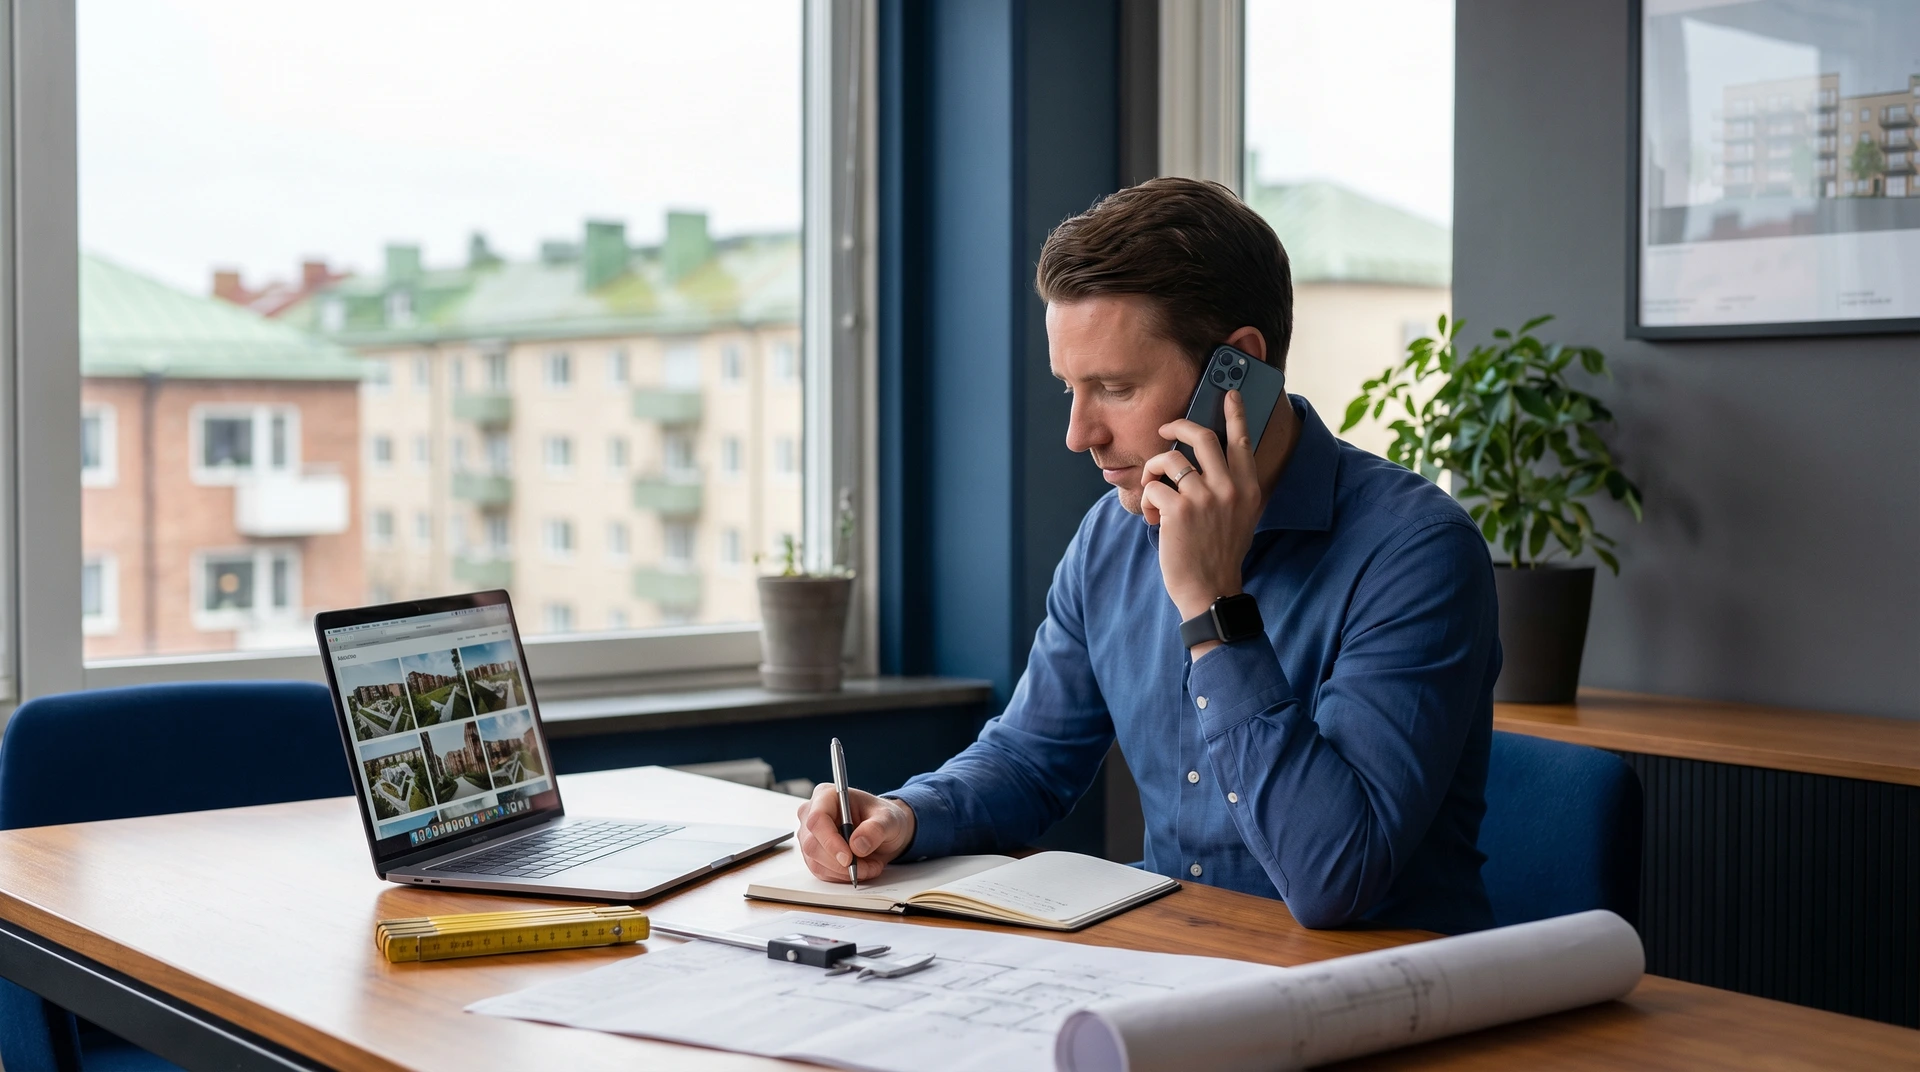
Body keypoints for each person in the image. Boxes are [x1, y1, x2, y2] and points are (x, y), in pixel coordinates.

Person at [796, 177, 1500, 934]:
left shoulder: (1416, 553)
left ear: (1236, 373)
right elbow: (1032, 759)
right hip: (1174, 970)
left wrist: (1213, 607)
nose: (1079, 434)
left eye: (1114, 388)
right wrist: (906, 815)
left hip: (1378, 996)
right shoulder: (1112, 537)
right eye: (1070, 387)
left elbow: (1333, 878)